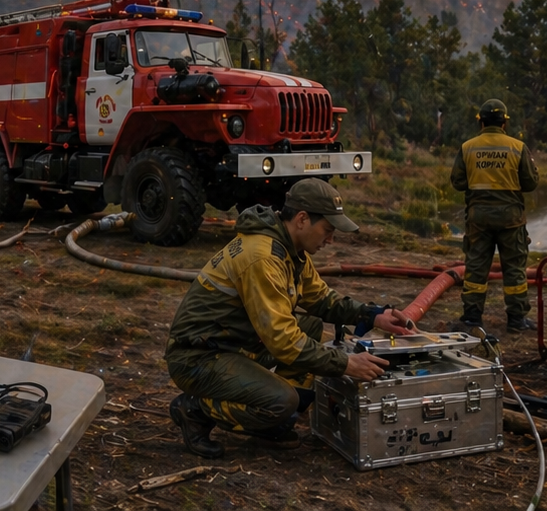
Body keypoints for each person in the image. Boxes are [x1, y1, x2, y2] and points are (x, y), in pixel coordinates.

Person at [164, 179, 416, 458]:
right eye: (328, 230)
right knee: (281, 401)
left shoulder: (290, 250)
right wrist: (346, 363)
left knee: (310, 327)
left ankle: (270, 423)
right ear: (302, 219)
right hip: (197, 358)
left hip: (232, 342)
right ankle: (196, 411)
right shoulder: (262, 257)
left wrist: (373, 315)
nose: (330, 240)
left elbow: (320, 299)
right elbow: (284, 341)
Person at [450, 98, 540, 331]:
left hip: (479, 219)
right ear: (504, 123)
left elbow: (458, 182)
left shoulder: (468, 147)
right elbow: (530, 183)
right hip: (511, 219)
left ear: (481, 122)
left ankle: (471, 318)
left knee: (476, 268)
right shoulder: (517, 147)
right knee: (514, 269)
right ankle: (517, 320)